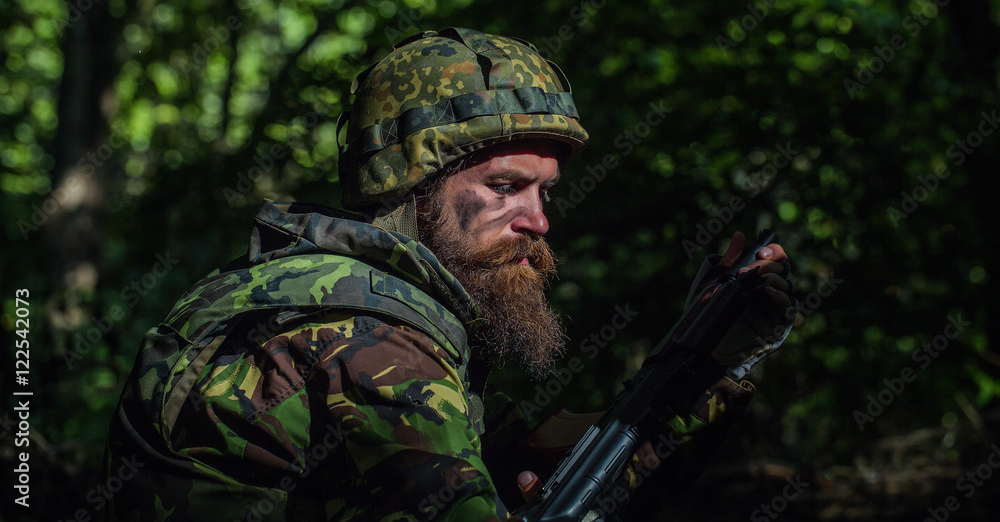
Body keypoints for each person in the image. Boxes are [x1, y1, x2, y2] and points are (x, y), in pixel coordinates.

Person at [102, 27, 796, 521]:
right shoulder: (374, 344)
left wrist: (706, 359)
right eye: (503, 186)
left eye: (544, 193)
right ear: (414, 185)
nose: (537, 221)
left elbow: (542, 460)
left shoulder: (294, 289)